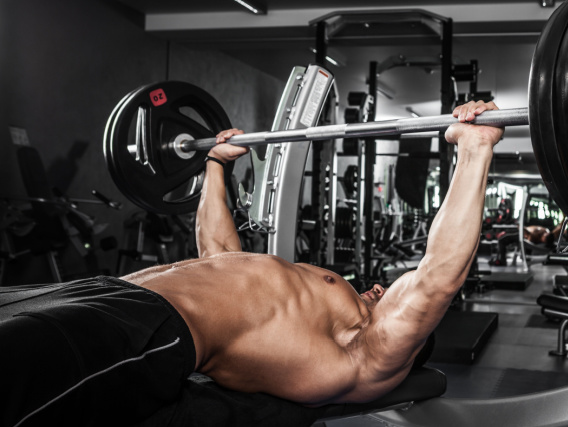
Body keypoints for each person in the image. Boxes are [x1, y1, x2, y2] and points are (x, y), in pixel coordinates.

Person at [0, 101, 503, 427]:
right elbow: (219, 256)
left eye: (390, 294)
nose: (381, 287)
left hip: (145, 330)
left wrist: (475, 152)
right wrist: (216, 165)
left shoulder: (365, 354)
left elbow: (435, 279)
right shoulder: (309, 313)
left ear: (408, 342)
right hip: (105, 293)